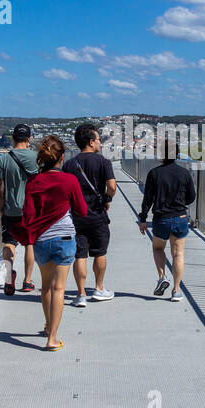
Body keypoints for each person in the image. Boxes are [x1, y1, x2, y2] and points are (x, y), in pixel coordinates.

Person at [16, 135, 89, 351]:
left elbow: (28, 214)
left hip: (41, 240)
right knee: (59, 288)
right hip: (64, 238)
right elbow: (82, 210)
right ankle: (52, 338)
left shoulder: (33, 182)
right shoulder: (69, 180)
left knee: (46, 286)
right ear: (62, 157)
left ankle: (48, 325)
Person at [63, 122, 117, 307]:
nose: (100, 142)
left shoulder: (69, 164)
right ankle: (99, 288)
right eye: (98, 139)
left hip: (76, 217)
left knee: (80, 255)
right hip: (97, 215)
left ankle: (80, 294)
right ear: (91, 142)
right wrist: (107, 199)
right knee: (100, 253)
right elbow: (111, 186)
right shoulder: (104, 162)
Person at [137, 138, 197, 302]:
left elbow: (147, 199)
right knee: (178, 254)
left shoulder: (154, 173)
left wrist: (143, 219)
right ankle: (176, 291)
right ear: (177, 154)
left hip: (161, 218)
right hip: (180, 217)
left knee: (158, 248)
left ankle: (162, 277)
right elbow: (191, 197)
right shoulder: (184, 173)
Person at [0, 124, 39, 296]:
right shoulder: (35, 157)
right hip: (29, 210)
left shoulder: (3, 159)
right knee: (29, 244)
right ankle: (27, 282)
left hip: (10, 209)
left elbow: (0, 186)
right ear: (29, 138)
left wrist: (1, 207)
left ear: (13, 138)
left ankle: (8, 278)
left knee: (9, 243)